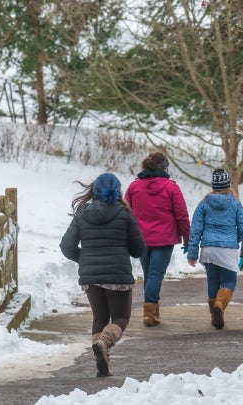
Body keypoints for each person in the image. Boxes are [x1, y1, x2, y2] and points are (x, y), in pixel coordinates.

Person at [59, 173, 145, 377]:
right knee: (121, 317)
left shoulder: (83, 212)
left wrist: (86, 259)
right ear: (117, 191)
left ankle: (103, 358)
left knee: (99, 318)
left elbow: (66, 245)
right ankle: (104, 343)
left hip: (90, 277)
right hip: (117, 274)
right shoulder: (124, 214)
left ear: (94, 190)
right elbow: (138, 249)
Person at [124, 152, 190, 327]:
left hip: (140, 238)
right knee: (155, 275)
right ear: (165, 168)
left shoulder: (134, 187)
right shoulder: (171, 188)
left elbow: (125, 212)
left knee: (149, 275)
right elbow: (182, 216)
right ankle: (149, 313)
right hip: (164, 239)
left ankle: (153, 312)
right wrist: (188, 240)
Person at [186, 168, 243, 329]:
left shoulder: (204, 204)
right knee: (229, 281)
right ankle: (220, 305)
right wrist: (234, 240)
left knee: (213, 281)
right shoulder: (235, 203)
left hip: (208, 249)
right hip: (227, 249)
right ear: (228, 185)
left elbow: (195, 229)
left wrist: (193, 252)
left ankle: (215, 315)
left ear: (213, 186)